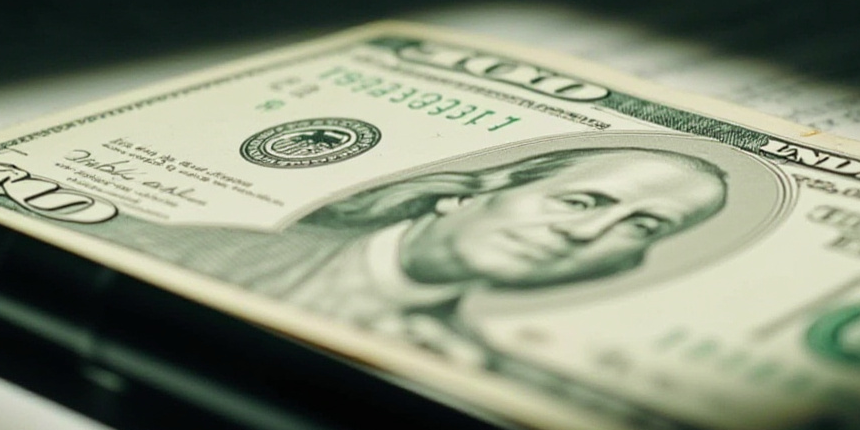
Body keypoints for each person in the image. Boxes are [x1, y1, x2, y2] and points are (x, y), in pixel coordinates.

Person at [137, 147, 728, 363]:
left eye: (642, 225)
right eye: (580, 200)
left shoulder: (476, 365)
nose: (588, 232)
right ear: (464, 196)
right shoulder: (179, 250)